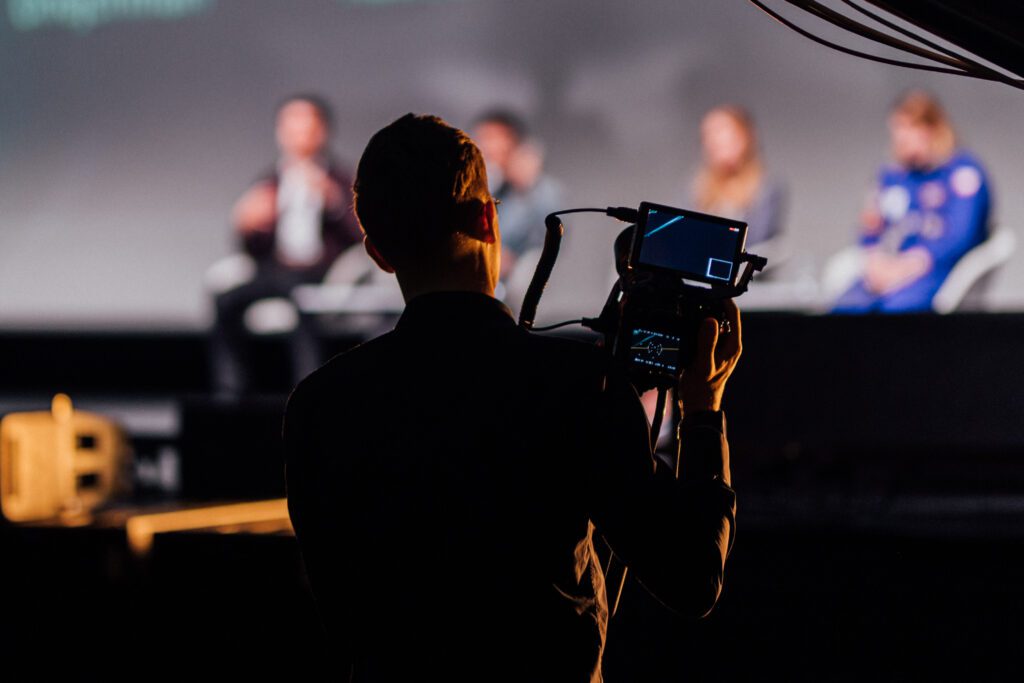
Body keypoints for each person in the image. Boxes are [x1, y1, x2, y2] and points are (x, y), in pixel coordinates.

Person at [283, 113, 740, 681]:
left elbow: (338, 613)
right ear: (487, 218)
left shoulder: (318, 405)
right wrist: (703, 410)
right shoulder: (578, 384)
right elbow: (692, 580)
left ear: (377, 251)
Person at [209, 94, 362, 395]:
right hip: (275, 269)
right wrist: (249, 226)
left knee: (302, 303)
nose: (299, 132)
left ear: (322, 130)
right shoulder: (270, 182)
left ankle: (307, 394)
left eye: (307, 124)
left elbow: (361, 235)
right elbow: (251, 247)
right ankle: (231, 393)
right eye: (291, 125)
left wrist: (334, 203)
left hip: (319, 271)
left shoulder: (342, 180)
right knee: (226, 301)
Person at [833, 90, 991, 313]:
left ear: (932, 129)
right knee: (842, 310)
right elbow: (870, 228)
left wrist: (910, 266)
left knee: (897, 313)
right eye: (897, 129)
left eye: (909, 128)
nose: (901, 138)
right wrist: (874, 262)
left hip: (934, 274)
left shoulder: (961, 173)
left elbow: (960, 237)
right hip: (886, 271)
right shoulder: (890, 175)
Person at [472, 109, 563, 286]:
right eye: (483, 138)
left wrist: (527, 185)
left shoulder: (543, 191)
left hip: (516, 279)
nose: (488, 146)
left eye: (494, 138)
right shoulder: (484, 185)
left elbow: (552, 234)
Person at [692, 105, 785, 250]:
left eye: (721, 132)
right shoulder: (698, 187)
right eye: (708, 135)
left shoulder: (766, 188)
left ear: (744, 137)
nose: (714, 141)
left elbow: (757, 240)